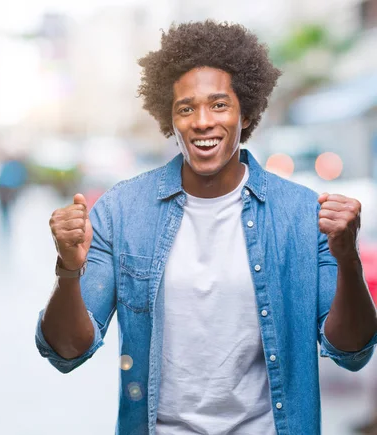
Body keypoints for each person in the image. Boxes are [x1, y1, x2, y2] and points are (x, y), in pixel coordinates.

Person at [35, 20, 377, 435]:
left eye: (219, 104)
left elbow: (352, 350)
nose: (202, 121)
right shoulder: (121, 211)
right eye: (186, 108)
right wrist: (68, 271)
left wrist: (347, 261)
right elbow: (67, 351)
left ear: (245, 111)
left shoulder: (302, 214)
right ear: (170, 118)